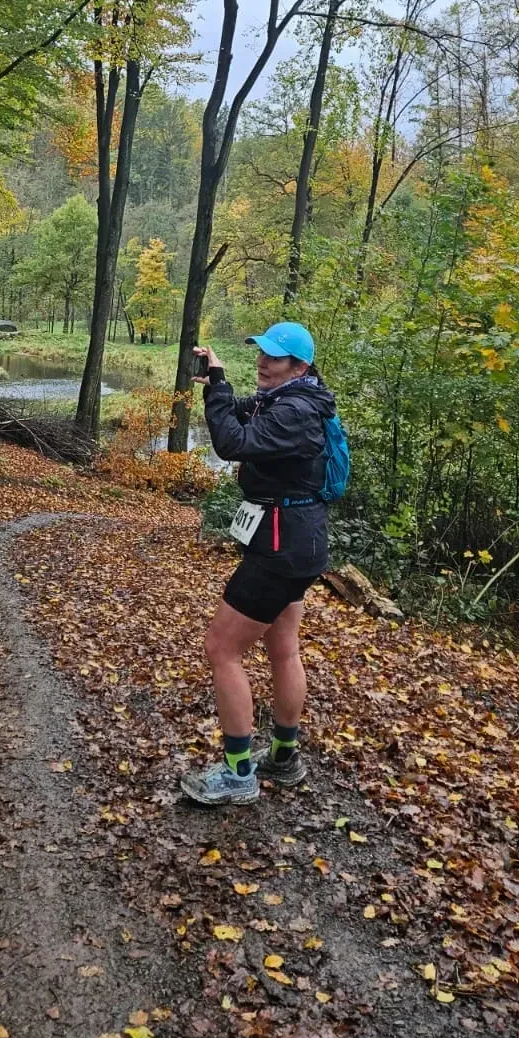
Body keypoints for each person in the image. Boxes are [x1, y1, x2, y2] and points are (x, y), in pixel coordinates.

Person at [180, 320, 338, 807]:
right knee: (283, 648)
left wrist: (220, 393)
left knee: (221, 648)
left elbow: (232, 443)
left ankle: (237, 774)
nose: (264, 362)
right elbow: (239, 414)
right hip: (299, 539)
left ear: (301, 366)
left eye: (275, 356)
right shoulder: (290, 400)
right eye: (262, 353)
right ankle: (284, 758)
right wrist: (218, 381)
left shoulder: (294, 410)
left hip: (281, 545)